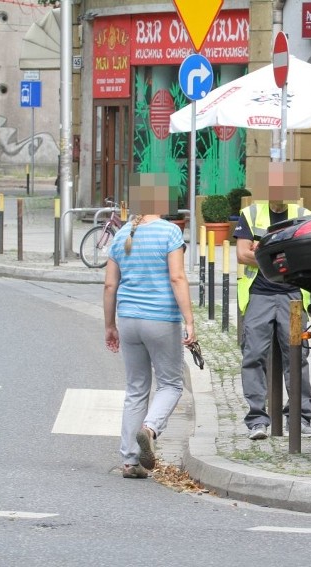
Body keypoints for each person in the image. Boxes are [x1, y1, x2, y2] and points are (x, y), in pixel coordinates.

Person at [104, 173, 196, 479]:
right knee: (171, 383)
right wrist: (190, 320)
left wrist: (110, 325)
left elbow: (109, 286)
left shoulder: (120, 236)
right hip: (160, 319)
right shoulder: (170, 232)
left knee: (136, 389)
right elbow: (177, 278)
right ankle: (151, 429)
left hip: (128, 321)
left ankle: (130, 461)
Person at [234, 163, 311, 441]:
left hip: (293, 298)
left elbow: (307, 253)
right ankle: (257, 420)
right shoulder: (251, 213)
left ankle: (300, 418)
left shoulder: (303, 215)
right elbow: (242, 254)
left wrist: (262, 251)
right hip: (259, 295)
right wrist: (281, 255)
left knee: (298, 356)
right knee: (254, 355)